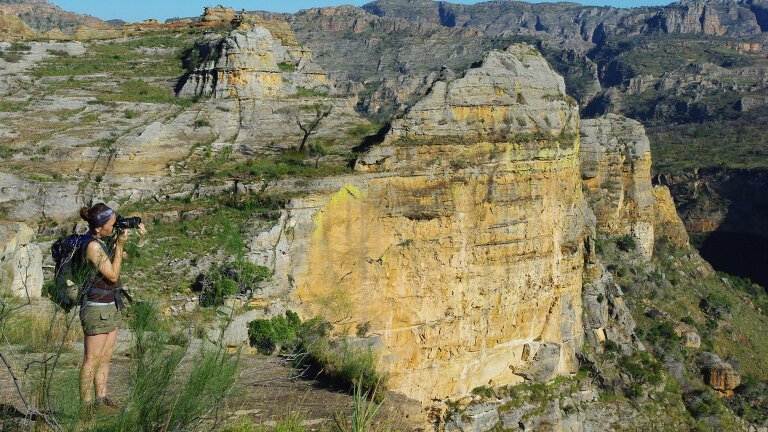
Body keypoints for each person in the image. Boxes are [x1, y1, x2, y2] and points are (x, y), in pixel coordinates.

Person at [77, 203, 146, 418]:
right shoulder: (92, 247)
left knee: (105, 357)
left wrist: (133, 241)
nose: (114, 227)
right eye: (112, 224)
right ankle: (86, 408)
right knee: (91, 359)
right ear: (98, 228)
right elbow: (113, 275)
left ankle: (101, 399)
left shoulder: (102, 242)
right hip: (96, 307)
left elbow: (123, 259)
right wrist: (120, 246)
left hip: (110, 304)